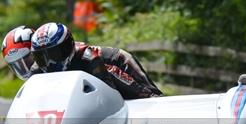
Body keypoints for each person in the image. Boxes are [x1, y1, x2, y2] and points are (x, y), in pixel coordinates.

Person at [29, 21, 163, 99]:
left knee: (148, 95)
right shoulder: (36, 71)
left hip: (116, 62)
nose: (50, 63)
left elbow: (109, 94)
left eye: (53, 54)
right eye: (42, 57)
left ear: (67, 46)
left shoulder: (89, 58)